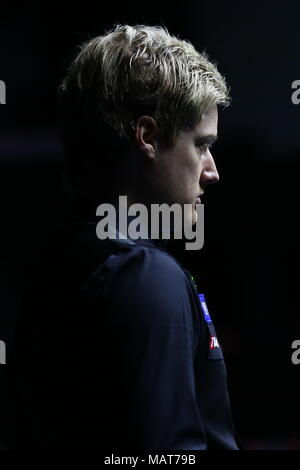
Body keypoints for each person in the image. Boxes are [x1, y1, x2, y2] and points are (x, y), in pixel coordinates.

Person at [14, 24, 239, 450]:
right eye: (201, 145)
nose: (212, 171)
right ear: (148, 136)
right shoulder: (147, 276)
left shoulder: (53, 265)